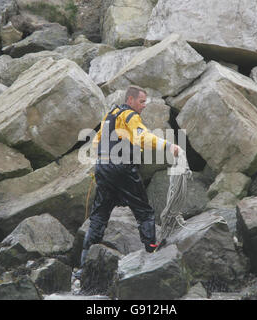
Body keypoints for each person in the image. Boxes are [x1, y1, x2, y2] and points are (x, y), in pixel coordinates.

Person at [75, 85, 181, 280]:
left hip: (103, 168)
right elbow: (143, 137)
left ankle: (83, 267)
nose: (144, 106)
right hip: (122, 168)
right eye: (142, 102)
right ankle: (151, 252)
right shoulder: (131, 116)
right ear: (130, 100)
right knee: (144, 211)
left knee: (99, 216)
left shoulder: (111, 115)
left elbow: (97, 142)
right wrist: (168, 145)